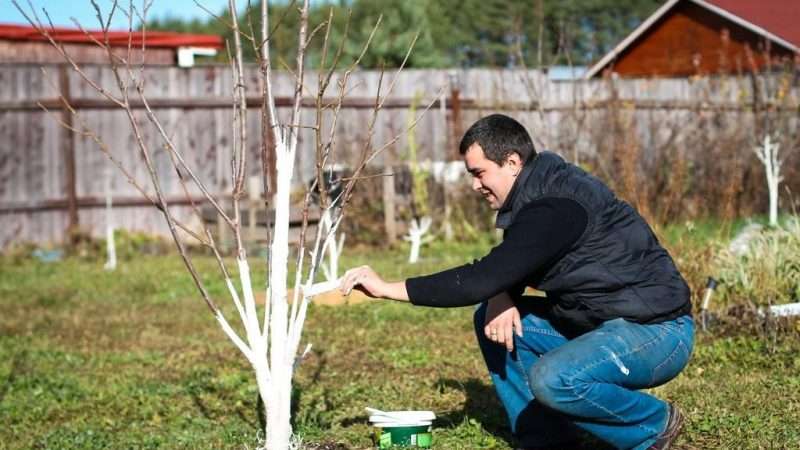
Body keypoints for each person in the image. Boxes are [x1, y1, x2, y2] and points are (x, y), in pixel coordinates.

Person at [340, 114, 693, 450]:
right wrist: (501, 294)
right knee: (492, 318)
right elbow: (516, 262)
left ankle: (653, 425)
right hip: (601, 323)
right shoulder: (537, 190)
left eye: (479, 173)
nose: (475, 185)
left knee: (553, 379)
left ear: (511, 162)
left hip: (657, 332)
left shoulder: (556, 205)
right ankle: (548, 440)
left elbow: (481, 278)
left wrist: (387, 288)